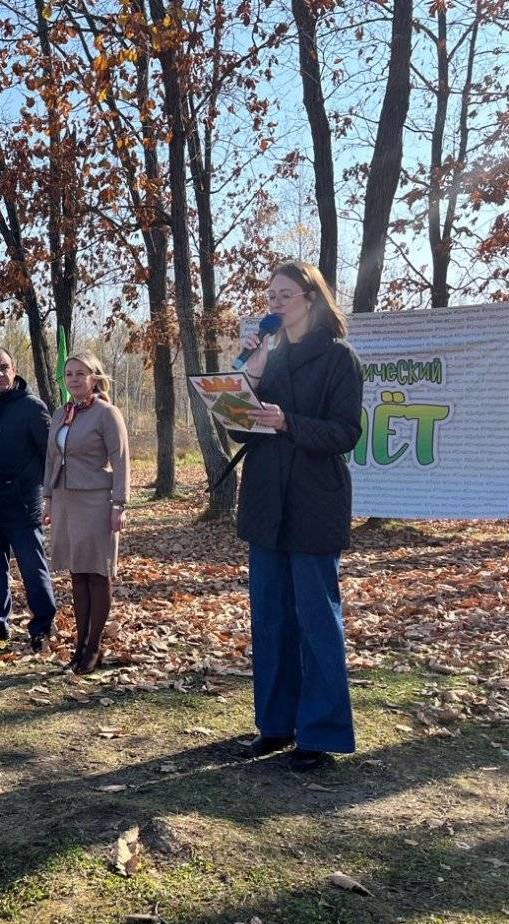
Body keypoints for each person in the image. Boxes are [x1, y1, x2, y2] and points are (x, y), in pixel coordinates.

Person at [230, 259, 363, 774]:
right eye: (270, 296)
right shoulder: (269, 357)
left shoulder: (338, 359)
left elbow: (345, 433)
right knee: (270, 621)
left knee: (315, 622)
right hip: (265, 503)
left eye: (284, 295)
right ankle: (276, 726)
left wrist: (290, 422)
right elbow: (242, 432)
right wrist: (249, 374)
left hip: (314, 503)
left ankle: (321, 731)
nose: (275, 304)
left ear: (311, 297)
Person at [42, 352, 130, 673]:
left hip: (96, 500)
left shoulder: (107, 413)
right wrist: (49, 498)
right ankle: (79, 645)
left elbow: (121, 461)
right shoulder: (61, 412)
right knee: (77, 573)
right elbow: (51, 458)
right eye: (69, 374)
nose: (74, 379)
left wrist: (119, 504)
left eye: (81, 373)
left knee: (97, 572)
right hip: (65, 499)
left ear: (94, 377)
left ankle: (94, 647)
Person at [0, 346, 57, 652]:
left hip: (22, 502)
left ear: (14, 369)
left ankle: (43, 626)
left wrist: (50, 495)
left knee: (33, 566)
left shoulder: (31, 407)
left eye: (4, 367)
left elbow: (50, 456)